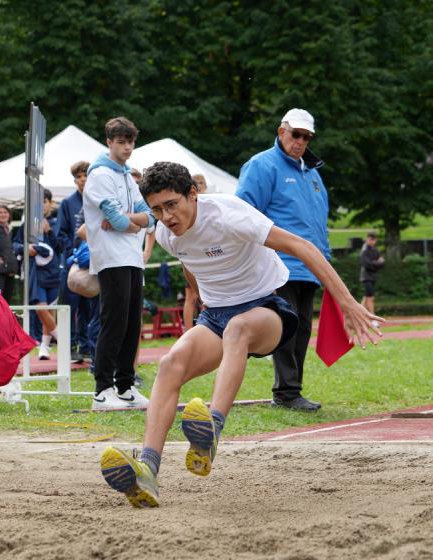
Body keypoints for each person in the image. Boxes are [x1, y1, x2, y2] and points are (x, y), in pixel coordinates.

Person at [100, 162, 383, 508]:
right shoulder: (165, 233)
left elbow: (304, 247)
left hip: (266, 310)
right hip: (216, 316)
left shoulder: (229, 214)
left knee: (238, 328)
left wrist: (347, 302)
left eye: (172, 205)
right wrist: (197, 296)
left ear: (193, 194)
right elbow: (191, 262)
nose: (166, 216)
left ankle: (211, 432)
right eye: (157, 209)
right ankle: (148, 469)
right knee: (170, 363)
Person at [236, 108, 330, 411]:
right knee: (287, 328)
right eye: (296, 134)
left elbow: (318, 224)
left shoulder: (313, 174)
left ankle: (292, 390)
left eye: (306, 136)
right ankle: (287, 392)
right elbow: (243, 214)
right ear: (281, 132)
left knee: (302, 329)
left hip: (310, 266)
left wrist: (324, 262)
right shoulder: (261, 166)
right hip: (279, 264)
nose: (300, 141)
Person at [83, 117, 152, 410]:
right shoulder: (99, 175)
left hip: (132, 256)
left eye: (130, 142)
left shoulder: (126, 175)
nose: (126, 147)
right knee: (114, 322)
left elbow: (149, 216)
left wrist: (130, 222)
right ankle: (102, 389)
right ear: (109, 142)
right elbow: (118, 218)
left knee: (132, 322)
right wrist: (130, 222)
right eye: (121, 142)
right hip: (111, 258)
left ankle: (125, 386)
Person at [13, 189, 61, 359]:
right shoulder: (27, 225)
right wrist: (26, 249)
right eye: (38, 203)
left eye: (45, 201)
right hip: (35, 273)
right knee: (41, 308)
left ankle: (44, 347)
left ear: (50, 203)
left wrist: (49, 232)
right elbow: (15, 245)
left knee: (51, 310)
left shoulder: (57, 221)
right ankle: (63, 340)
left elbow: (62, 246)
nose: (42, 205)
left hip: (54, 272)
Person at [55, 161, 92, 362]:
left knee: (89, 306)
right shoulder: (68, 203)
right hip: (72, 262)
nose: (83, 179)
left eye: (85, 175)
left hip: (94, 262)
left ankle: (85, 346)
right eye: (79, 176)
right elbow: (59, 234)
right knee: (70, 307)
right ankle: (68, 347)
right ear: (75, 180)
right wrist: (75, 253)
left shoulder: (98, 199)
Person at [182, 174, 208, 328]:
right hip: (193, 257)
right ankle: (188, 330)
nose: (199, 186)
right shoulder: (187, 205)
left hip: (209, 257)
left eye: (201, 182)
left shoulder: (211, 204)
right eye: (196, 183)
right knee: (190, 298)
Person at [360, 233, 384, 314]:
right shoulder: (364, 250)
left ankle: (360, 314)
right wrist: (376, 263)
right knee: (370, 297)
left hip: (373, 276)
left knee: (366, 296)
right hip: (366, 277)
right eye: (370, 239)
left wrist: (373, 263)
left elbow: (382, 263)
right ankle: (372, 316)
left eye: (374, 239)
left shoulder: (375, 250)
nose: (372, 241)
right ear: (367, 239)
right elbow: (366, 264)